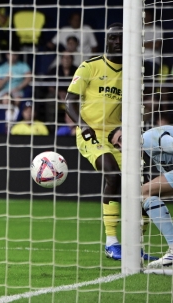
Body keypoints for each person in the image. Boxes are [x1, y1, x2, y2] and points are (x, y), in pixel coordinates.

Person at [65, 23, 123, 260]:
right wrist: (83, 125)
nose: (115, 42)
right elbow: (69, 101)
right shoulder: (90, 65)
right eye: (112, 38)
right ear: (106, 40)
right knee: (113, 175)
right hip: (90, 134)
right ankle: (111, 242)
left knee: (141, 183)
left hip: (117, 136)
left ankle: (137, 243)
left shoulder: (133, 71)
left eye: (120, 39)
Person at [109, 126, 173, 268]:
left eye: (121, 139)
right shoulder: (149, 147)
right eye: (117, 146)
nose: (121, 146)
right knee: (147, 195)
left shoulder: (148, 138)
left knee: (143, 192)